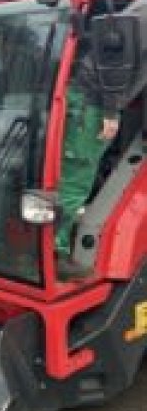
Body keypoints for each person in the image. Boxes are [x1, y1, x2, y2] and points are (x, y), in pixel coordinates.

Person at [56, 37, 120, 279]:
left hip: (83, 102)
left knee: (67, 176)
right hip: (92, 108)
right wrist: (111, 110)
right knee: (74, 181)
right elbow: (114, 63)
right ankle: (56, 253)